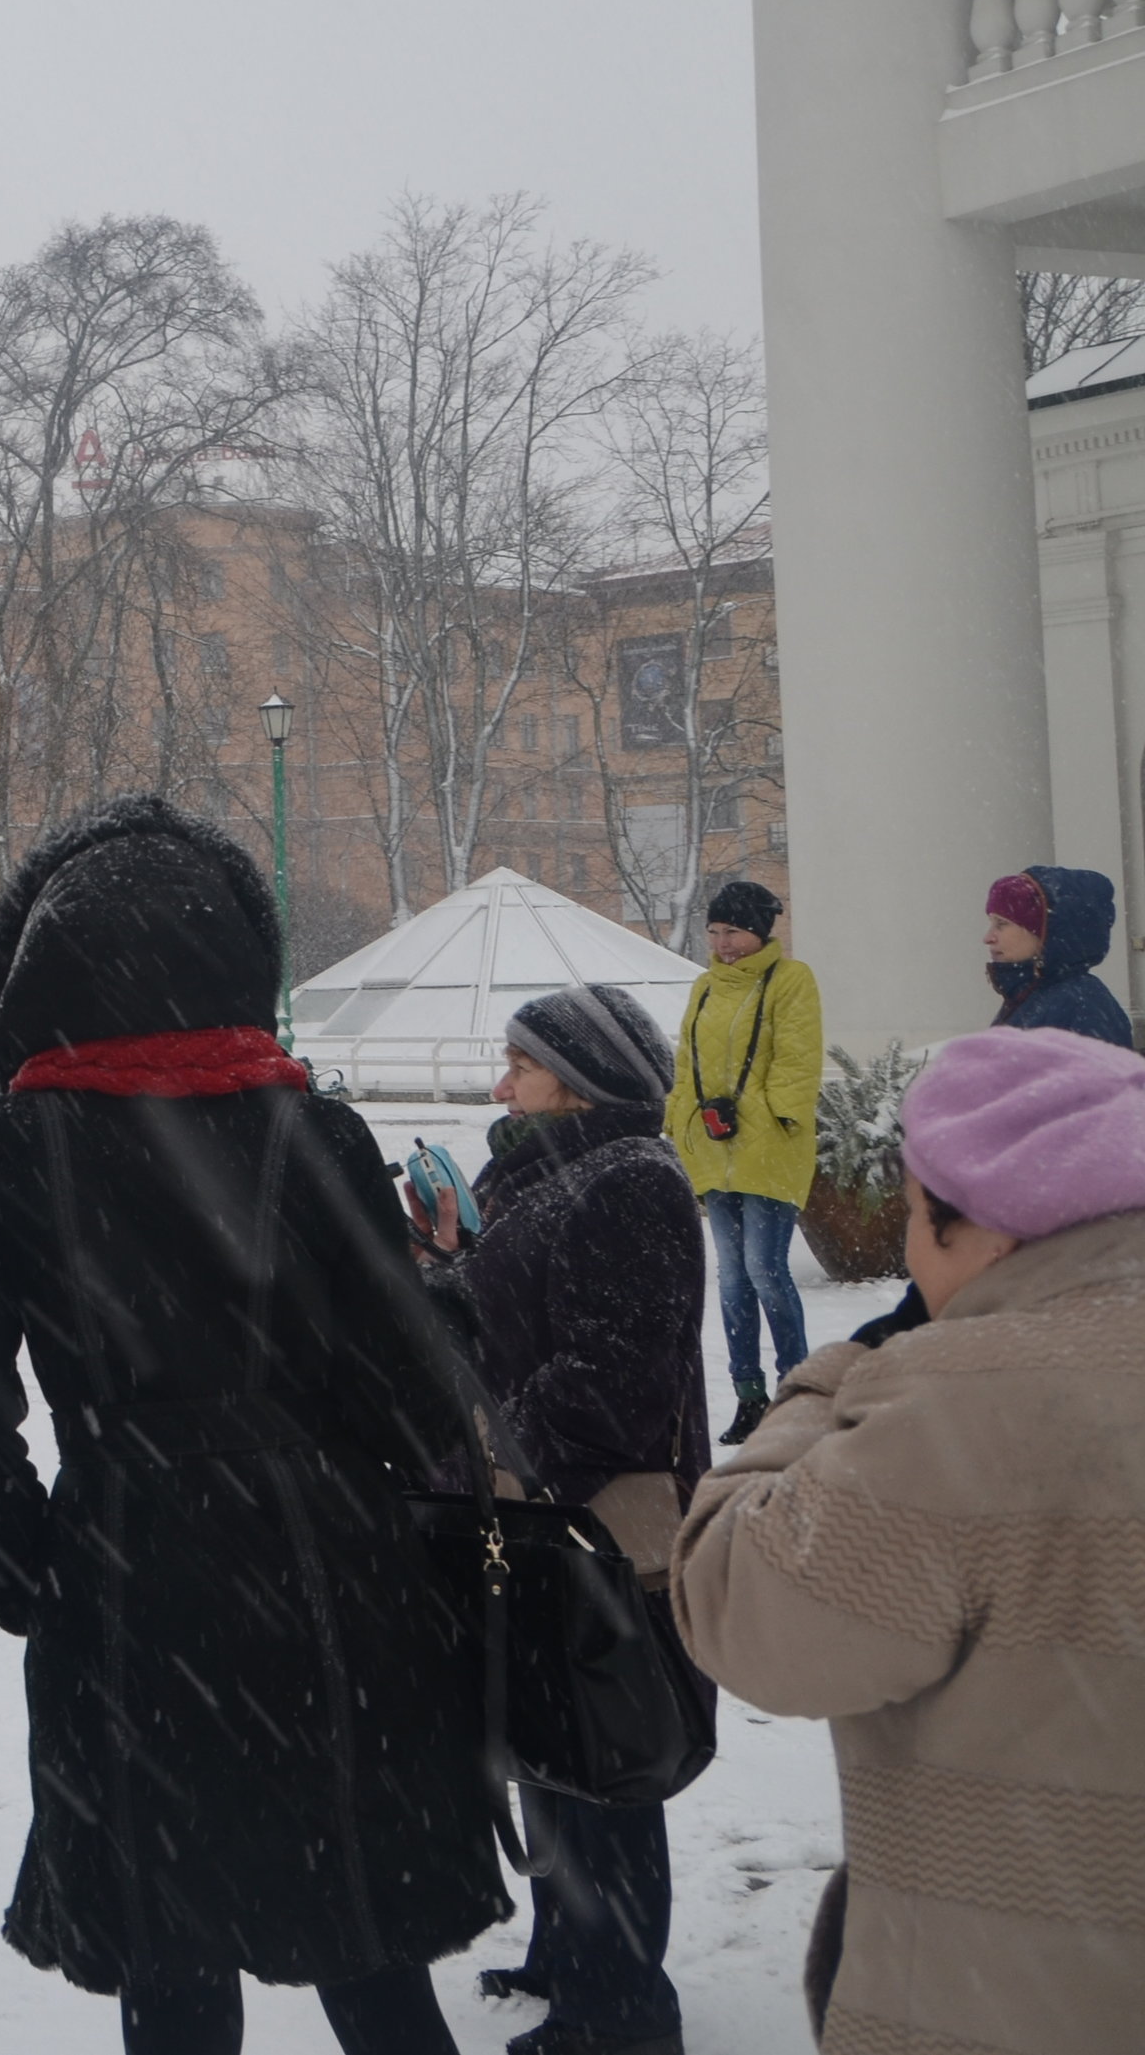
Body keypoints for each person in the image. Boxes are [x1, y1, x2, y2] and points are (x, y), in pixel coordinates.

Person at [0, 793, 501, 2055]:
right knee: (365, 1935)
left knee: (167, 1947)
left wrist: (29, 1566)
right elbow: (411, 1376)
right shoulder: (318, 1130)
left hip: (129, 1574)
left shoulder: (3, 1150)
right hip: (330, 1564)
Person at [673, 1026, 1145, 2055]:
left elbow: (738, 1609)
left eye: (918, 1220)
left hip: (1007, 2005)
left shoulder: (954, 1411)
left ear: (992, 1231)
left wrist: (833, 1383)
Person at [409, 986, 709, 2055]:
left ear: (581, 1082)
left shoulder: (628, 1184)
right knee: (548, 1746)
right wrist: (447, 1260)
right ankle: (565, 1954)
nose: (502, 1084)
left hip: (595, 1529)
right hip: (535, 1518)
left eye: (521, 1066)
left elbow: (614, 1386)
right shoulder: (543, 1170)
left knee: (607, 1765)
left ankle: (621, 2011)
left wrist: (479, 1439)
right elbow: (514, 1321)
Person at [664, 879, 822, 1444]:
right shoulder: (705, 987)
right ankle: (749, 1396)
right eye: (714, 931)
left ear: (760, 931)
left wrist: (775, 1118)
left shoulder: (791, 980)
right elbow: (685, 1062)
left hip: (768, 1149)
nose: (723, 943)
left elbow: (798, 1060)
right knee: (731, 1279)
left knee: (765, 1271)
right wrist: (680, 1121)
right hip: (712, 1146)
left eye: (733, 931)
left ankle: (797, 1392)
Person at [983, 865, 1131, 1045]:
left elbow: (1100, 1072)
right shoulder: (1029, 994)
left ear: (1043, 932)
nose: (988, 938)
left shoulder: (1081, 1005)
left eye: (1001, 924)